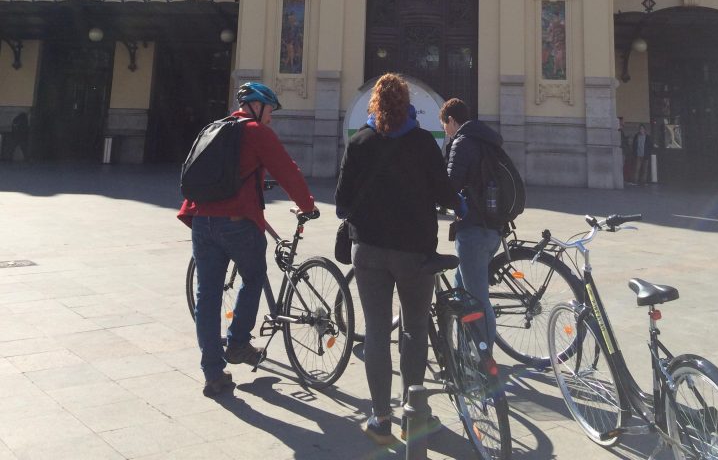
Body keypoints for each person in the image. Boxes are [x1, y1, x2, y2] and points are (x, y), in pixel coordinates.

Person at [335, 73, 461, 446]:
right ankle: (414, 413)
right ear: (407, 105)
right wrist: (462, 206)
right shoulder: (423, 143)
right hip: (414, 252)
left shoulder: (358, 143)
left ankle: (380, 417)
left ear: (374, 104)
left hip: (368, 251)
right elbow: (445, 193)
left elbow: (341, 202)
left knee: (376, 331)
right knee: (414, 329)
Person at [178, 82, 316, 397]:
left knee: (208, 296)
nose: (271, 117)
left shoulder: (215, 128)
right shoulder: (255, 131)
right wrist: (308, 205)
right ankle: (238, 342)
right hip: (237, 223)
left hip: (201, 220)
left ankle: (213, 373)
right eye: (270, 110)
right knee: (253, 276)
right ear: (257, 106)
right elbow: (287, 171)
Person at [439, 98, 504, 347]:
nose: (446, 132)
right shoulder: (488, 141)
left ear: (452, 121)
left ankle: (484, 359)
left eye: (445, 126)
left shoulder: (463, 142)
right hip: (493, 226)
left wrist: (434, 198)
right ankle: (463, 348)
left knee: (477, 299)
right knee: (460, 288)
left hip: (474, 227)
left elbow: (450, 185)